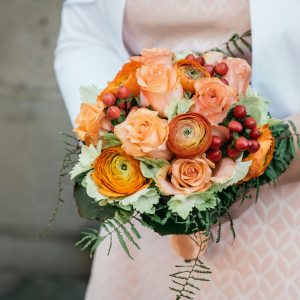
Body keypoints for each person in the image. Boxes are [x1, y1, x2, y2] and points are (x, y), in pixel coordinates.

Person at [54, 0, 300, 299]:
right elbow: (84, 35)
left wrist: (275, 150)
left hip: (285, 193)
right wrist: (115, 130)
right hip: (149, 196)